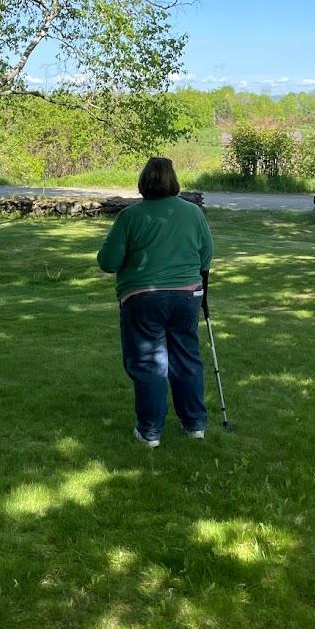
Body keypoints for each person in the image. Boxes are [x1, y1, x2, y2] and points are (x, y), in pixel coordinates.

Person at [97, 157, 213, 448]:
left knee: (149, 364)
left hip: (143, 297)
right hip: (187, 296)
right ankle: (195, 425)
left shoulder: (130, 217)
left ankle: (150, 432)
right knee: (187, 359)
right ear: (173, 180)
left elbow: (108, 262)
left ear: (143, 181)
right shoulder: (193, 213)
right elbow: (206, 256)